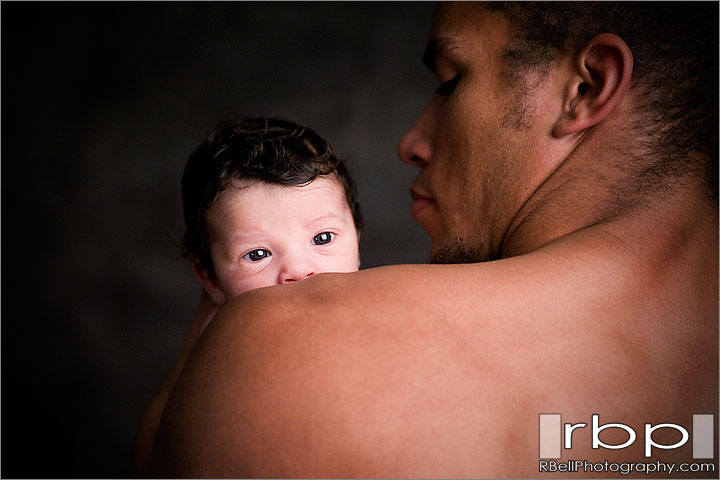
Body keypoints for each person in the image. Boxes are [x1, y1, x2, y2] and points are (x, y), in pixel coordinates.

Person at [149, 2, 718, 477]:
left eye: (450, 81)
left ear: (587, 85)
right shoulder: (693, 424)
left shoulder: (285, 349)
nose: (412, 141)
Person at [130, 117, 363, 476]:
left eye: (322, 238)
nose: (299, 271)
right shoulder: (222, 354)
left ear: (357, 235)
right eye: (257, 255)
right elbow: (156, 457)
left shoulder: (384, 310)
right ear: (209, 277)